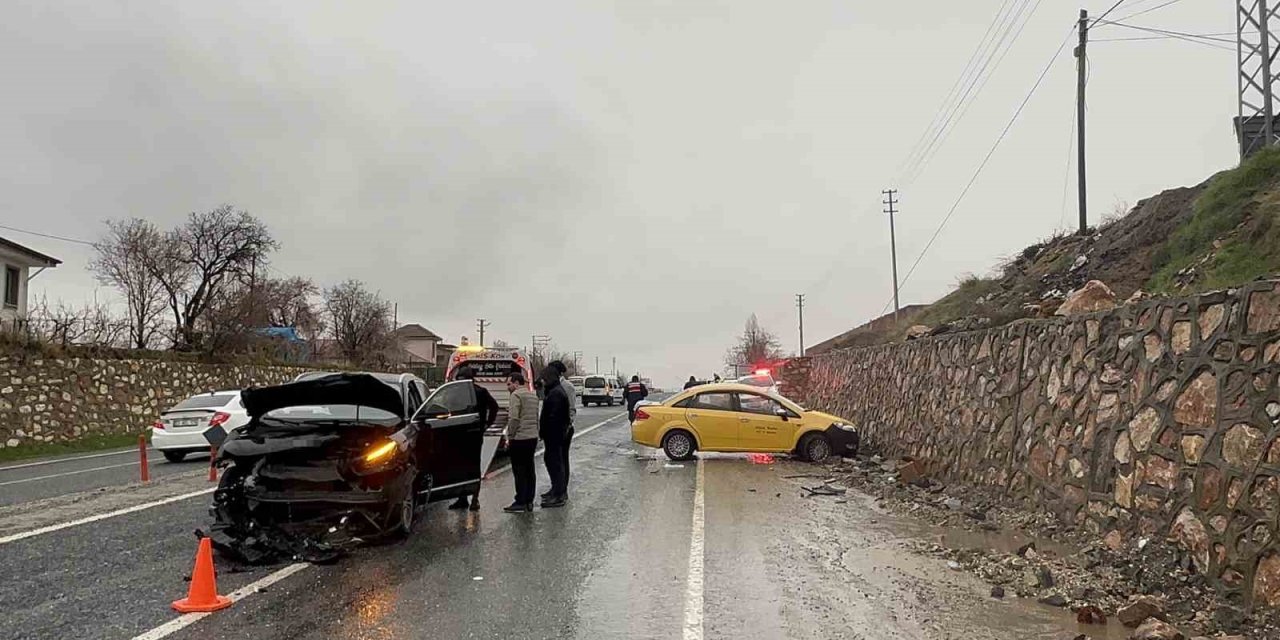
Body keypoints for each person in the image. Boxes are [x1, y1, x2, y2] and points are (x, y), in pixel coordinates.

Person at [449, 365, 499, 511]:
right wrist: (486, 424)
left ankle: (470, 499)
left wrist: (486, 424)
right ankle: (468, 499)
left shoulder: (463, 393)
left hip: (465, 434)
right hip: (473, 434)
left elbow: (494, 407)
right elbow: (494, 407)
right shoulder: (480, 391)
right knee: (470, 467)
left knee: (465, 467)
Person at [503, 372, 539, 513]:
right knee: (530, 469)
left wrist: (510, 436)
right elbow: (536, 417)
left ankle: (520, 501)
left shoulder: (515, 396)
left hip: (519, 438)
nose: (508, 387)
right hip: (532, 437)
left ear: (517, 383)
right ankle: (529, 500)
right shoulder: (533, 395)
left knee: (519, 471)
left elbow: (514, 419)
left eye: (509, 384)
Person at [538, 365, 572, 508]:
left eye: (545, 379)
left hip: (555, 435)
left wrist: (547, 432)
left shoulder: (556, 394)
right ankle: (556, 491)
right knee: (552, 461)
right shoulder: (554, 391)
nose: (543, 381)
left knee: (556, 463)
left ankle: (559, 494)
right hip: (554, 435)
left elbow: (554, 418)